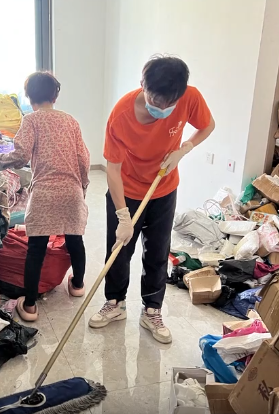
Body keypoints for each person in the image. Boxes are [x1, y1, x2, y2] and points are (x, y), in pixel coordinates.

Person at [88, 55, 215, 343]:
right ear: (142, 85)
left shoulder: (189, 97)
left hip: (164, 187)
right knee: (119, 250)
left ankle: (152, 310)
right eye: (155, 100)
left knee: (158, 251)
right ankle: (115, 303)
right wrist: (123, 216)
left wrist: (184, 149)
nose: (161, 108)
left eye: (168, 103)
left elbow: (207, 126)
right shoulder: (121, 116)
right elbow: (113, 170)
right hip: (127, 189)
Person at [0, 71, 90, 322]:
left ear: (30, 98)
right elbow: (84, 159)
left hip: (44, 193)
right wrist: (82, 187)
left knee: (36, 248)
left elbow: (20, 156)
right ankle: (77, 285)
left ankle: (29, 306)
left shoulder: (31, 120)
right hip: (71, 191)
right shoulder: (71, 121)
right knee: (75, 240)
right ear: (55, 96)